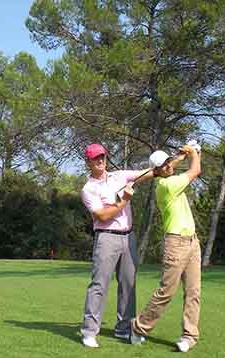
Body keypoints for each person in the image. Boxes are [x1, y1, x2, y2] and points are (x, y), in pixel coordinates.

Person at [80, 143, 154, 348]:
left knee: (128, 285)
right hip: (106, 237)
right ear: (89, 162)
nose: (100, 160)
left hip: (128, 237)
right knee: (99, 285)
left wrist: (169, 161)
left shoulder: (119, 176)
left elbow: (145, 173)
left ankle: (123, 329)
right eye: (96, 158)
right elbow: (102, 216)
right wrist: (124, 201)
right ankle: (89, 331)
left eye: (102, 156)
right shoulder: (89, 188)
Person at [130, 143, 202, 353]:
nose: (168, 166)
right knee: (166, 292)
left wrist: (181, 155)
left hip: (192, 242)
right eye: (164, 165)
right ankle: (138, 327)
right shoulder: (166, 186)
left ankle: (189, 336)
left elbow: (174, 163)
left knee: (193, 292)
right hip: (176, 244)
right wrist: (194, 152)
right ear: (157, 171)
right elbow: (195, 170)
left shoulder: (170, 175)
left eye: (168, 162)